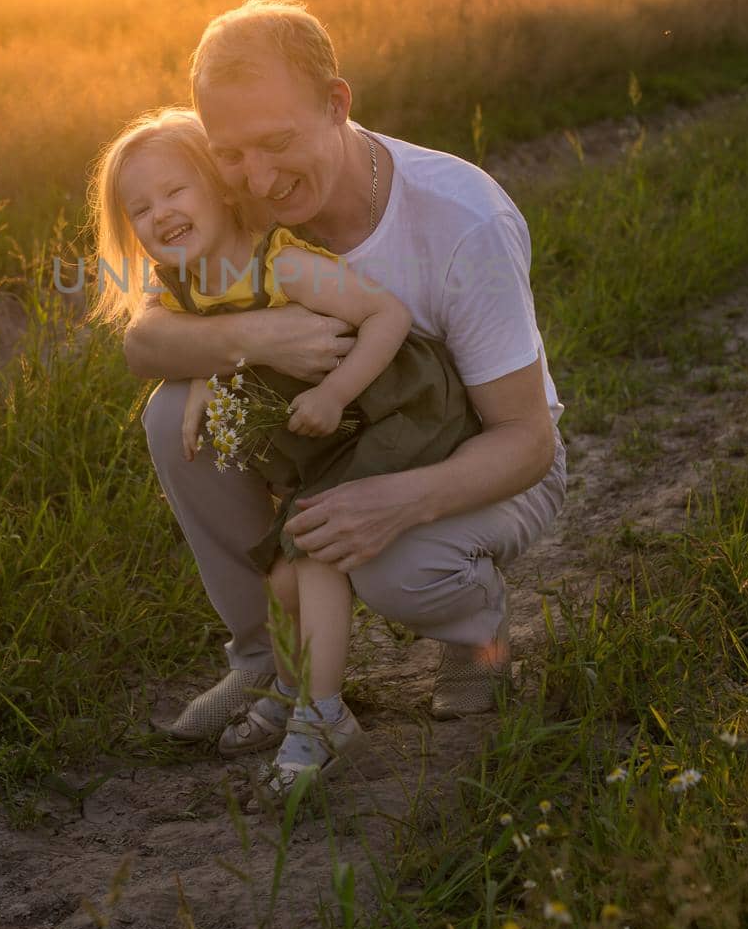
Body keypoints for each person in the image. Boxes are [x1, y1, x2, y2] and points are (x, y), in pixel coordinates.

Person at [119, 0, 567, 746]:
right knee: (172, 416)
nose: (255, 180)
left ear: (336, 104)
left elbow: (526, 440)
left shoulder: (462, 221)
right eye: (229, 153)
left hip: (474, 451)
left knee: (397, 570)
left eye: (274, 142)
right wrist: (259, 337)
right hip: (328, 439)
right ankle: (268, 661)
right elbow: (145, 341)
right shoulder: (235, 197)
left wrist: (397, 501)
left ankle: (479, 635)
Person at [87, 106, 483, 792]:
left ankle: (323, 713)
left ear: (220, 189)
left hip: (392, 411)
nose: (159, 214)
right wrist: (205, 376)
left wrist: (335, 394)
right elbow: (176, 339)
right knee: (281, 578)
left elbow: (385, 317)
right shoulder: (187, 284)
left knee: (313, 547)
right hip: (328, 437)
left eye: (175, 191)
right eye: (139, 207)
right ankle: (282, 688)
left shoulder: (285, 264)